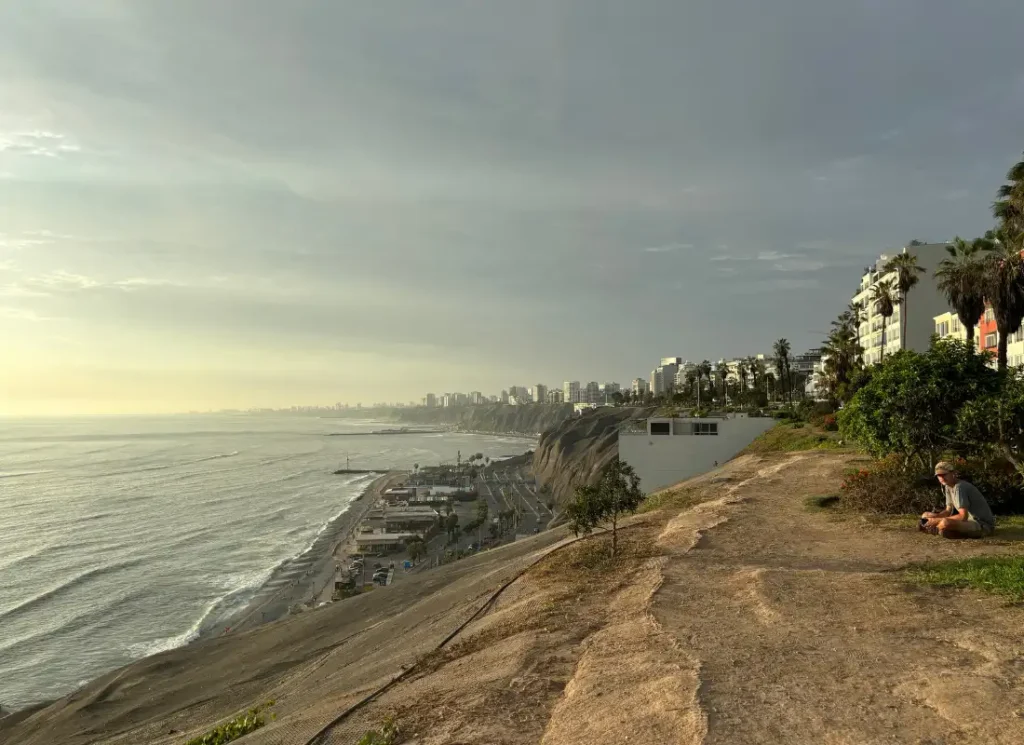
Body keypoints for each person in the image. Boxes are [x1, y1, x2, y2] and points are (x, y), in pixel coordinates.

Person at [919, 462, 995, 538]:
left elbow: (963, 516)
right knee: (926, 515)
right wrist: (935, 517)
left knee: (945, 522)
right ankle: (941, 530)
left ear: (953, 474)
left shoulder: (960, 487)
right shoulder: (947, 486)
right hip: (966, 522)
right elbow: (948, 510)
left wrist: (936, 520)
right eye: (939, 476)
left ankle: (938, 529)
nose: (942, 478)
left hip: (981, 524)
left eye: (944, 475)